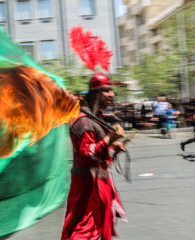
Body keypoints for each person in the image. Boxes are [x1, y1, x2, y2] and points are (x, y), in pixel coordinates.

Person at [61, 74, 127, 240]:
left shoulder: (97, 115)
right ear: (95, 94)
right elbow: (86, 154)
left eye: (111, 90)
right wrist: (110, 139)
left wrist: (112, 146)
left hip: (99, 180)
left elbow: (98, 147)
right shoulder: (83, 121)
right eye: (107, 90)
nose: (112, 94)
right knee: (85, 230)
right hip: (89, 186)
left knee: (97, 226)